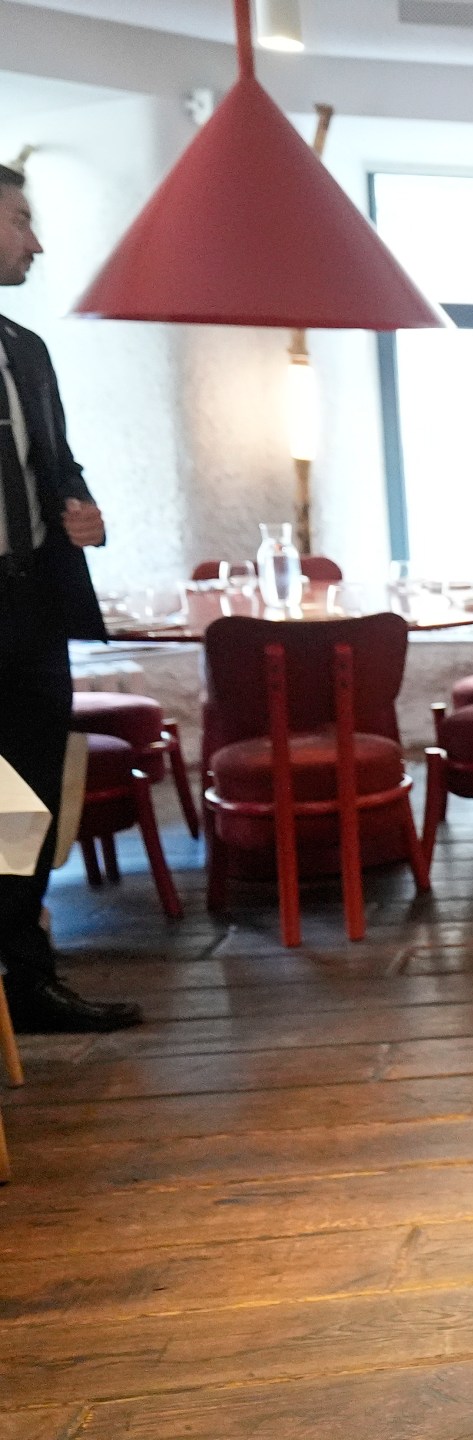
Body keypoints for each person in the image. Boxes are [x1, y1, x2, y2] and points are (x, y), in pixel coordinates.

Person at [0, 164, 143, 1036]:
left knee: (22, 800)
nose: (36, 240)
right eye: (20, 219)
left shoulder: (26, 350)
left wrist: (81, 508)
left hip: (28, 610)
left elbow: (54, 462)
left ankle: (26, 979)